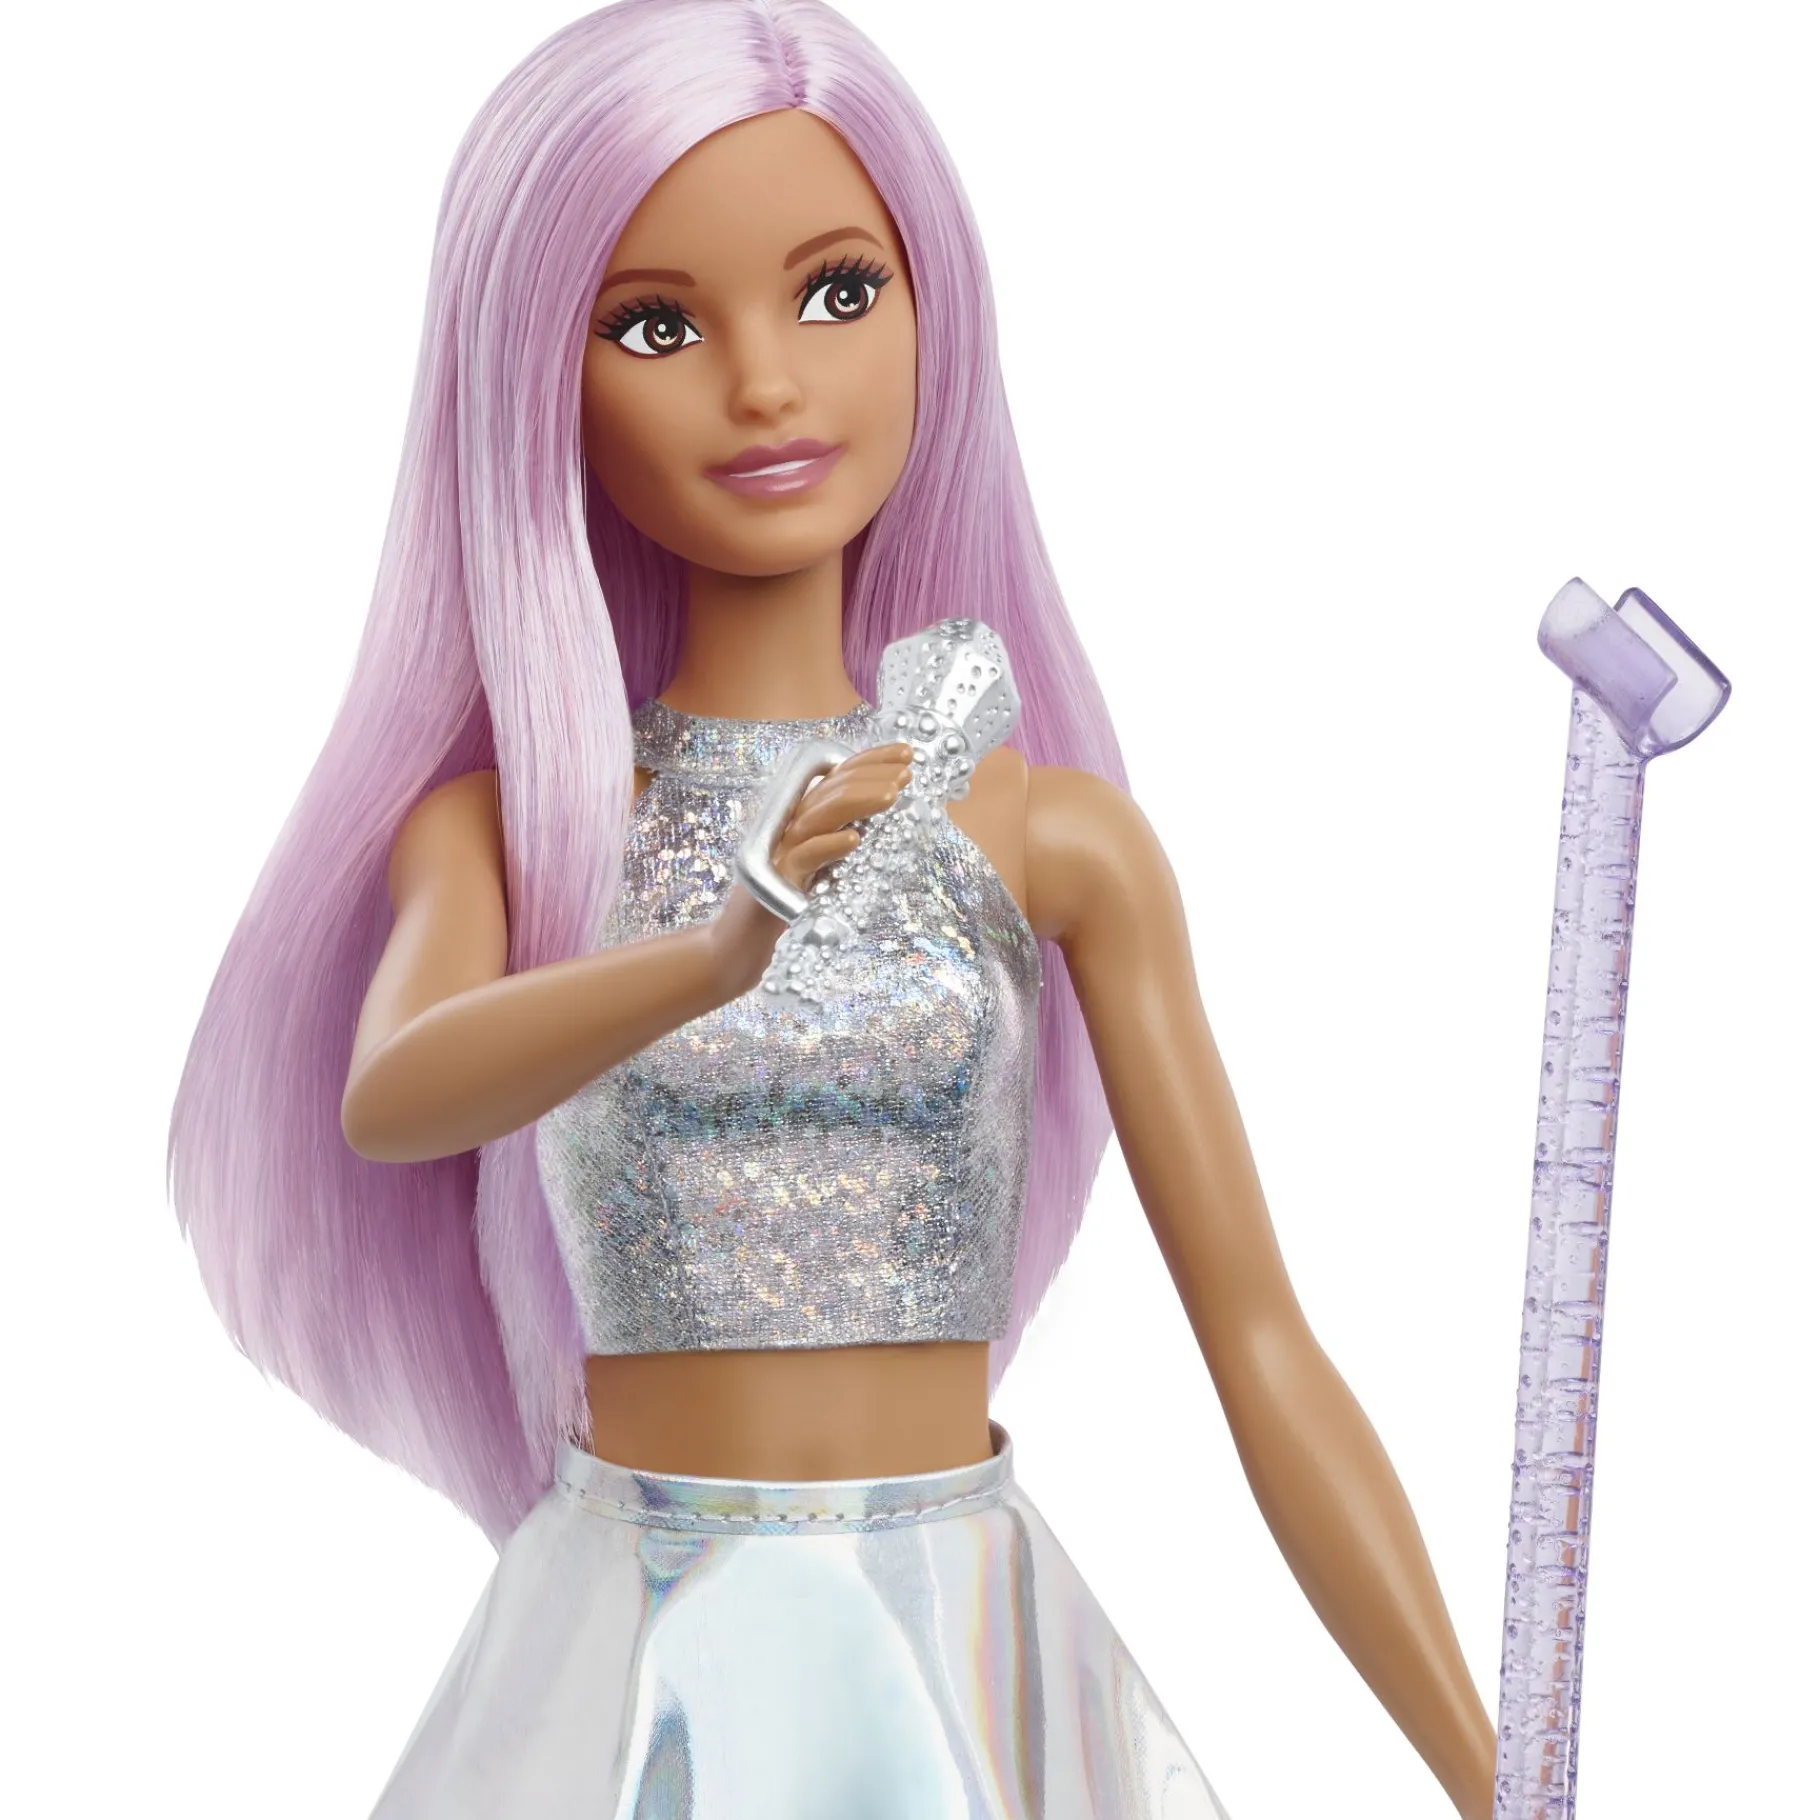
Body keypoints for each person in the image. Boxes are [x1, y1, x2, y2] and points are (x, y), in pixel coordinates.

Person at [169, 3, 1494, 1813]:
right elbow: (397, 1091)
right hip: (634, 1655)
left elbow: (1262, 1345)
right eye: (656, 325)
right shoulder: (515, 836)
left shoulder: (1053, 838)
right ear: (538, 383)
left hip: (954, 1654)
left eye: (838, 292)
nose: (767, 386)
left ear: (936, 309)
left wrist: (1496, 1770)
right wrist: (719, 946)